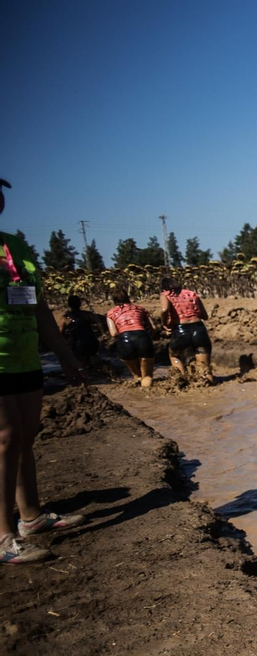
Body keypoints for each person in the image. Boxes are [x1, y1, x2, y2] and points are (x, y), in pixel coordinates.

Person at [1, 179, 86, 565]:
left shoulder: (15, 247)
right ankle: (4, 537)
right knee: (5, 439)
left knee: (23, 438)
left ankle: (31, 516)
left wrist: (65, 355)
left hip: (24, 357)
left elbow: (38, 308)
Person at [159, 276, 213, 384]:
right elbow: (205, 316)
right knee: (204, 367)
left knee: (175, 356)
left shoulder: (165, 294)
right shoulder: (192, 294)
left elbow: (164, 310)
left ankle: (181, 379)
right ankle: (208, 384)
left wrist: (165, 324)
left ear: (164, 288)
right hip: (199, 329)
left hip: (180, 330)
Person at [104, 288, 156, 388]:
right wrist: (151, 337)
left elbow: (113, 333)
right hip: (142, 337)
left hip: (125, 341)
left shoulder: (110, 313)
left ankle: (137, 385)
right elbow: (153, 328)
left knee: (137, 375)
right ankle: (147, 393)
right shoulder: (140, 309)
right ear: (127, 297)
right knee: (147, 376)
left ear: (114, 300)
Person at [59, 295, 104, 373]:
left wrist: (63, 342)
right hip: (90, 341)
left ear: (69, 305)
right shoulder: (87, 314)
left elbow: (60, 332)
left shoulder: (65, 318)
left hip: (76, 344)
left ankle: (83, 373)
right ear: (80, 303)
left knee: (79, 360)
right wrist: (103, 333)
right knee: (90, 358)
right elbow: (99, 322)